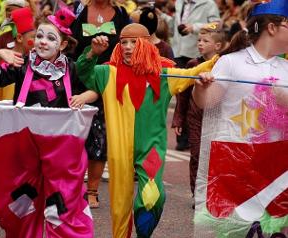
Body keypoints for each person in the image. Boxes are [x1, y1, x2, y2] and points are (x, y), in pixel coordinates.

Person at [76, 23, 218, 238]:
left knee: (152, 197)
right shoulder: (108, 73)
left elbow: (192, 73)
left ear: (145, 44)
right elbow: (84, 72)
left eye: (134, 42)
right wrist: (92, 53)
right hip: (120, 148)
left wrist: (213, 66)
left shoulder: (163, 76)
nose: (127, 46)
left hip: (150, 147)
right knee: (120, 204)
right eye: (123, 42)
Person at [0, 7, 108, 237]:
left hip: (61, 154)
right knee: (24, 204)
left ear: (63, 45)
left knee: (61, 205)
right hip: (25, 151)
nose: (43, 42)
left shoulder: (72, 68)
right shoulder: (23, 64)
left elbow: (95, 91)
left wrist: (82, 98)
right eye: (39, 36)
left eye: (50, 38)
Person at [192, 0, 288, 236]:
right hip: (235, 159)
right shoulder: (231, 62)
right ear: (272, 28)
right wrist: (201, 86)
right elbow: (206, 102)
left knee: (273, 229)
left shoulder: (285, 68)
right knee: (233, 230)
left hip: (274, 162)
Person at [70, 0, 130, 209]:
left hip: (107, 83)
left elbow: (129, 46)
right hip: (76, 79)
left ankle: (92, 190)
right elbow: (65, 41)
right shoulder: (76, 9)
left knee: (99, 140)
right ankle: (72, 187)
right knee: (73, 140)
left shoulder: (121, 13)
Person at [171, 22, 226, 205]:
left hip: (218, 117)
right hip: (195, 117)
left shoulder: (224, 65)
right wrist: (178, 119)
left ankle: (214, 192)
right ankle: (198, 194)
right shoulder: (193, 64)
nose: (200, 43)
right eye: (199, 40)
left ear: (217, 45)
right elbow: (183, 95)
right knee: (196, 156)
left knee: (216, 157)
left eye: (205, 40)